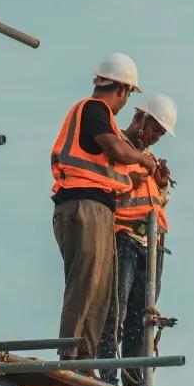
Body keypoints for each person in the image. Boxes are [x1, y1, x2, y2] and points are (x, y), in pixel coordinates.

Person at [51, 53, 158, 360]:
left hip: (96, 208)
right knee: (85, 282)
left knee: (99, 290)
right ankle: (69, 354)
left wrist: (145, 172)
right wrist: (141, 158)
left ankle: (85, 357)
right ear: (123, 90)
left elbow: (115, 169)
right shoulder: (94, 109)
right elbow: (116, 149)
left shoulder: (101, 120)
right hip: (81, 204)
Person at [96, 94, 178, 386]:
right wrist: (133, 181)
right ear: (139, 118)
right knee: (114, 312)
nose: (156, 136)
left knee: (141, 321)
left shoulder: (149, 159)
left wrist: (162, 183)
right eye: (155, 128)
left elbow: (157, 201)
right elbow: (106, 187)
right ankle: (107, 377)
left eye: (160, 132)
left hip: (152, 246)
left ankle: (134, 384)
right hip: (124, 238)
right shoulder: (116, 146)